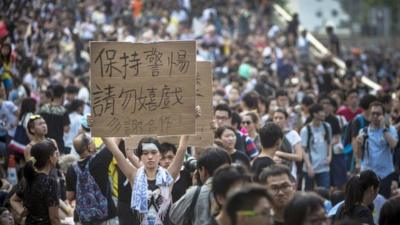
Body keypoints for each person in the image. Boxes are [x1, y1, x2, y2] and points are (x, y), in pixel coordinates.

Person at [170, 147, 232, 225]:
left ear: (203, 170)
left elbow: (174, 216)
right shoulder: (239, 189)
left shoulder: (195, 192)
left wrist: (194, 189)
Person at [66, 133, 117, 225]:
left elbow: (70, 196)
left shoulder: (71, 169)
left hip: (82, 219)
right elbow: (114, 143)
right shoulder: (99, 160)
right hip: (106, 217)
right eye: (92, 141)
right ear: (89, 147)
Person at [11, 140, 61, 225]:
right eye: (55, 154)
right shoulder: (50, 182)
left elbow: (13, 200)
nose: (57, 157)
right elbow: (54, 219)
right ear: (50, 158)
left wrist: (22, 211)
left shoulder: (28, 178)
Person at [356, 101, 398, 198]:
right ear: (369, 115)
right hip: (368, 174)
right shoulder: (363, 131)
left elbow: (393, 145)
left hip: (385, 175)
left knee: (383, 203)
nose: (375, 116)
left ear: (383, 115)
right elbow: (358, 155)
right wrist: (358, 144)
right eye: (373, 113)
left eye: (378, 114)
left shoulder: (390, 129)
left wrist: (383, 128)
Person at [300, 103, 332, 190]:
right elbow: (303, 149)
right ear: (314, 114)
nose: (324, 114)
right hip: (310, 167)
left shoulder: (327, 126)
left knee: (324, 194)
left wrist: (330, 156)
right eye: (321, 111)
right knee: (308, 195)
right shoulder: (305, 130)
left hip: (324, 167)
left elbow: (329, 143)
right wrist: (309, 166)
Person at [39, 84, 70, 154]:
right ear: (62, 95)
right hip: (58, 144)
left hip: (44, 142)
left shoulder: (44, 108)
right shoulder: (63, 111)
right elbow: (66, 129)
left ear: (52, 94)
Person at [272, 108, 303, 179]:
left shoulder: (293, 134)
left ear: (286, 119)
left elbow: (299, 157)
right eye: (275, 118)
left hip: (290, 172)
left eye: (281, 118)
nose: (278, 120)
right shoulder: (269, 134)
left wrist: (280, 154)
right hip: (273, 173)